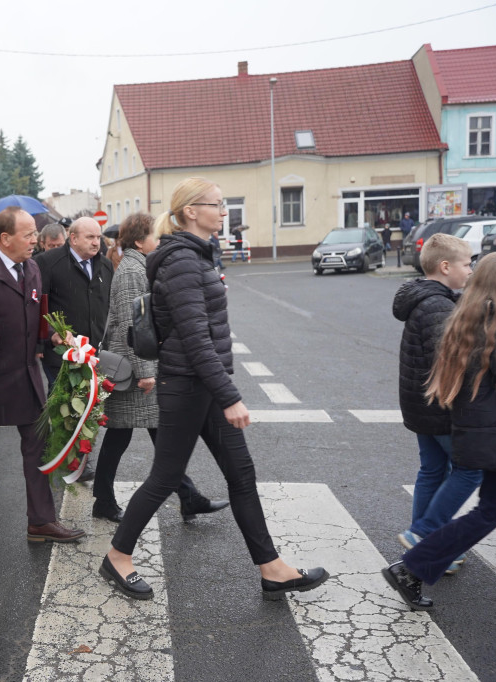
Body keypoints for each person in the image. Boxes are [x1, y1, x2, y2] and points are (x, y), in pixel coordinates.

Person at [100, 177, 329, 601]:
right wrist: (230, 395)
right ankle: (117, 556)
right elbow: (194, 338)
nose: (223, 212)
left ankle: (271, 568)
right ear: (191, 211)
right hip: (187, 387)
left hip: (201, 384)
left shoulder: (197, 256)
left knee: (241, 474)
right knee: (165, 477)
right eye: (216, 205)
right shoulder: (183, 262)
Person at [92, 212, 229, 524]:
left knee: (153, 436)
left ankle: (188, 496)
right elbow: (133, 324)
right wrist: (145, 371)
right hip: (131, 371)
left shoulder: (138, 265)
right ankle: (107, 499)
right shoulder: (131, 271)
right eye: (156, 234)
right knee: (123, 437)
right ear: (140, 241)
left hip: (136, 367)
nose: (161, 239)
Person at [383, 252, 496, 610]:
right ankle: (418, 548)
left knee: (487, 507)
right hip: (485, 431)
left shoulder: (467, 318)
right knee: (479, 498)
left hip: (477, 429)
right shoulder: (488, 325)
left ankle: (415, 561)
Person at [0, 207, 85, 543]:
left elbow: (35, 316)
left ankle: (41, 521)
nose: (35, 240)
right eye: (28, 234)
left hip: (25, 375)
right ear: (5, 239)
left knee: (37, 447)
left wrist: (51, 336)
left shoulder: (31, 268)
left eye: (35, 233)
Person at [392, 233, 479, 575]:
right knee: (469, 471)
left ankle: (425, 543)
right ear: (445, 266)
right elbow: (453, 359)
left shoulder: (423, 298)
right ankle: (424, 537)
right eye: (466, 263)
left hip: (421, 405)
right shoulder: (438, 305)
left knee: (431, 470)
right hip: (440, 407)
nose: (470, 270)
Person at [36, 216, 114, 482]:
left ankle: (76, 458)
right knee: (62, 403)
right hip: (62, 351)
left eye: (99, 237)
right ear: (74, 238)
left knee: (87, 404)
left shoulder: (104, 264)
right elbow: (37, 306)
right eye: (90, 237)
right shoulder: (48, 263)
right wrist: (48, 335)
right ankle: (55, 454)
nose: (96, 242)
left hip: (93, 351)